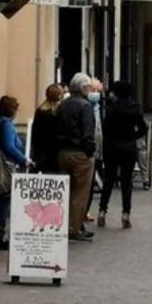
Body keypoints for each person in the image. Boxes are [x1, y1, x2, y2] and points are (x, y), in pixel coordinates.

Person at [97, 81, 147, 229]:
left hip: (112, 146)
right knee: (127, 181)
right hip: (128, 146)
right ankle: (126, 213)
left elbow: (106, 131)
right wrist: (133, 136)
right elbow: (142, 128)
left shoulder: (111, 109)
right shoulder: (134, 107)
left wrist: (105, 150)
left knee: (109, 180)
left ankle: (102, 211)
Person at [56, 72, 96, 242]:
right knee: (80, 193)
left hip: (63, 151)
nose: (90, 90)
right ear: (83, 88)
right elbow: (88, 132)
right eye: (88, 87)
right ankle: (74, 228)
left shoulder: (62, 105)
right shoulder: (85, 106)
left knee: (65, 191)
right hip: (80, 152)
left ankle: (62, 224)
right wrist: (89, 150)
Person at [0, 96, 30, 250]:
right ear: (11, 109)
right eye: (16, 108)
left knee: (3, 199)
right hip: (5, 165)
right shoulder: (7, 125)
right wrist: (24, 160)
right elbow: (9, 147)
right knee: (5, 199)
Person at [31, 84, 64, 173]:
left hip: (41, 151)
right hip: (54, 152)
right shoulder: (58, 112)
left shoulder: (40, 110)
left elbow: (35, 134)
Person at [85, 78, 105, 223]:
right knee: (87, 184)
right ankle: (83, 212)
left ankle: (85, 211)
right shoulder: (85, 106)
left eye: (98, 91)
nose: (96, 93)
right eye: (93, 90)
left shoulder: (99, 106)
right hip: (88, 149)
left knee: (91, 184)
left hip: (98, 149)